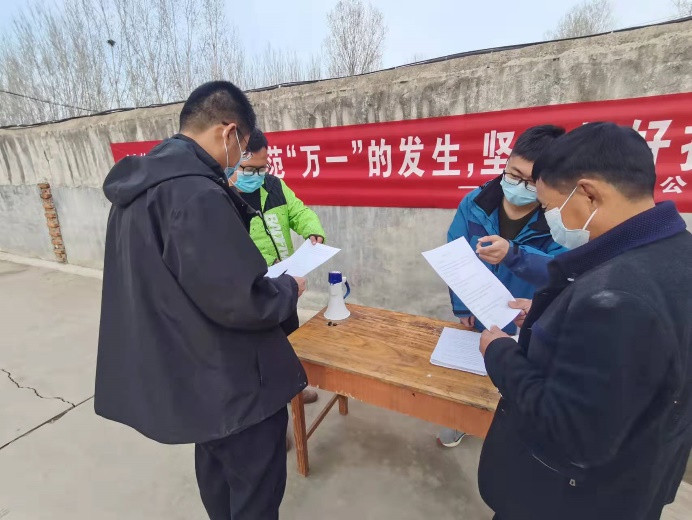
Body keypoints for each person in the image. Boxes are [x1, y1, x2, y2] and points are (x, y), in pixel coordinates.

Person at [95, 81, 308, 520]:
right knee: (254, 492)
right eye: (242, 147)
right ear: (229, 132)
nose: (241, 160)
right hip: (234, 383)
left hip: (189, 377)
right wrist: (289, 288)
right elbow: (242, 300)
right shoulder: (196, 194)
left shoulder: (137, 189)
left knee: (217, 478)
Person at [478, 122, 692, 520]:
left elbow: (572, 433)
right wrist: (548, 319)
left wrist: (500, 354)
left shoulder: (616, 297)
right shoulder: (677, 252)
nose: (549, 218)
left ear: (588, 193)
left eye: (548, 207)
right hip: (639, 476)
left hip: (566, 500)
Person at [438, 125, 567, 448]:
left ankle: (506, 428)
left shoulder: (558, 219)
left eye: (530, 182)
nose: (518, 187)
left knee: (517, 376)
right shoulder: (476, 202)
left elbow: (563, 270)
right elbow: (455, 252)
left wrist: (515, 254)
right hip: (478, 308)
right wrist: (462, 306)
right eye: (513, 174)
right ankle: (463, 420)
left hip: (526, 315)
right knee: (471, 370)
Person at [229, 127, 326, 404]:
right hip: (254, 290)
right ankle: (271, 404)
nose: (258, 175)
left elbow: (298, 211)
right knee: (261, 350)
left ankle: (295, 389)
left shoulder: (274, 186)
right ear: (234, 161)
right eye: (251, 170)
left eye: (264, 168)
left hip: (284, 282)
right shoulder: (223, 199)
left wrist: (312, 230)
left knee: (290, 336)